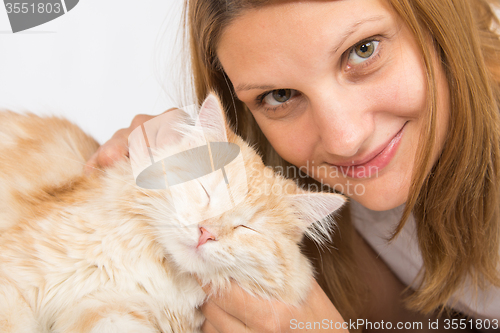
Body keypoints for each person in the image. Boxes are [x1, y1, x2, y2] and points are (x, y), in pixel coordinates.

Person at [85, 0, 500, 331]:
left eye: (363, 50)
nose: (344, 139)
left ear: (439, 19)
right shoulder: (345, 196)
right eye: (280, 95)